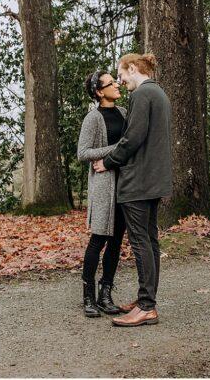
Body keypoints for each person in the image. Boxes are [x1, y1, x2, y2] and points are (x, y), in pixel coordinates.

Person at [93, 52, 172, 327]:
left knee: (141, 244)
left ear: (133, 68)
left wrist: (109, 161)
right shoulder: (159, 94)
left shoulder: (141, 95)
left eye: (122, 74)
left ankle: (147, 306)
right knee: (150, 241)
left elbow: (132, 138)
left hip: (138, 182)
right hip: (154, 180)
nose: (121, 80)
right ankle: (145, 299)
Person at [77, 70, 127, 317]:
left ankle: (105, 294)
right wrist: (115, 149)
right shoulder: (93, 118)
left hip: (125, 185)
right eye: (111, 83)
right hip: (103, 186)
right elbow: (83, 153)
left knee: (116, 242)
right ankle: (88, 297)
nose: (117, 85)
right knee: (98, 240)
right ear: (99, 91)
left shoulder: (124, 113)